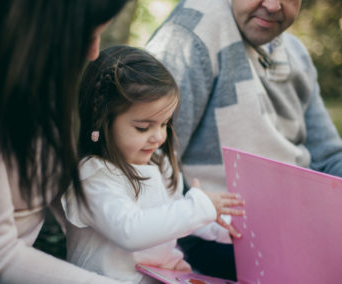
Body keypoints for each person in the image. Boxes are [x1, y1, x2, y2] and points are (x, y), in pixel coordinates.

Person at [146, 0, 342, 280]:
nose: (274, 5)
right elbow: (151, 157)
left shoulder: (296, 53)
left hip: (298, 225)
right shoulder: (193, 32)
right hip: (215, 235)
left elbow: (329, 157)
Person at [0, 0, 132, 283]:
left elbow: (63, 192)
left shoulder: (33, 68)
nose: (94, 53)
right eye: (86, 35)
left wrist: (133, 252)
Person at [61, 45, 245, 283]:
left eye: (164, 124)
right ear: (102, 120)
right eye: (143, 127)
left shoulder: (159, 164)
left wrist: (213, 223)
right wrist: (197, 208)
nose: (158, 136)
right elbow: (131, 231)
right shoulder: (93, 177)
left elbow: (171, 215)